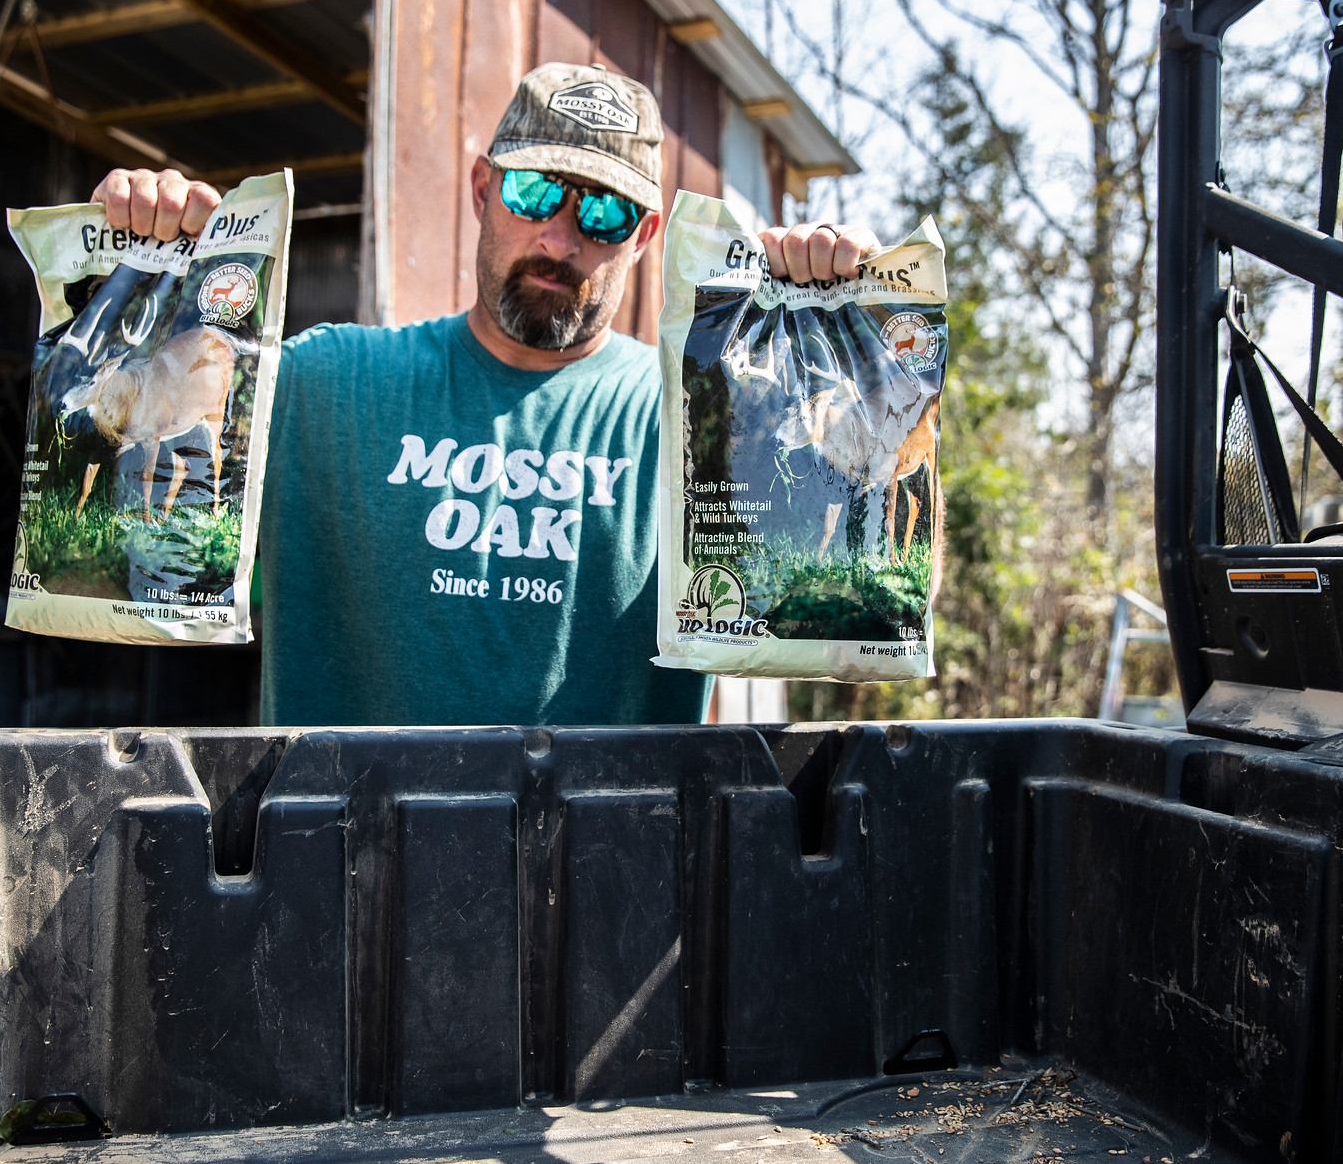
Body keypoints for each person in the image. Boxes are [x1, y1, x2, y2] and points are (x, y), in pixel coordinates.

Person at [90, 62, 878, 726]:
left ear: (644, 236)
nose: (561, 239)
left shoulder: (701, 423)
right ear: (481, 187)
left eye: (604, 212)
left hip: (605, 890)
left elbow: (871, 610)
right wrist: (145, 267)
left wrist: (836, 347)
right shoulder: (323, 386)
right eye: (535, 192)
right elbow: (109, 492)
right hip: (345, 886)